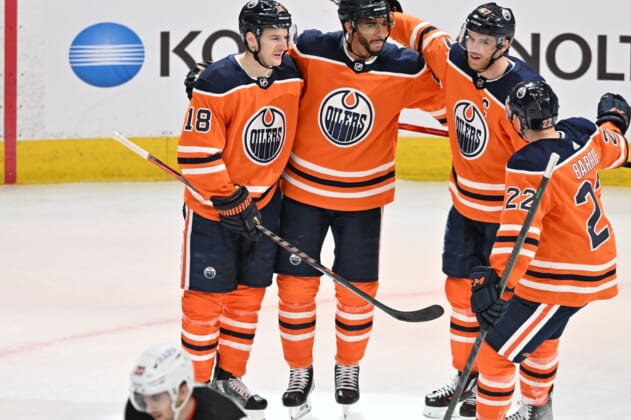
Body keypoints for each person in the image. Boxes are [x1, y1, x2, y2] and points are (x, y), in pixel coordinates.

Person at [272, 0, 445, 418]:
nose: (381, 32)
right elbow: (267, 76)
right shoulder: (311, 49)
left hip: (363, 201)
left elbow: (454, 100)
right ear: (347, 25)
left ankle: (347, 368)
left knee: (358, 293)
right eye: (371, 24)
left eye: (385, 22)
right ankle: (299, 370)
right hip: (303, 194)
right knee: (295, 291)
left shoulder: (405, 67)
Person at [387, 3, 544, 417]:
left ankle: (511, 393)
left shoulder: (522, 92)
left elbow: (537, 163)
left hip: (505, 219)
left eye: (485, 42)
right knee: (459, 294)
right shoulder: (454, 58)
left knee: (501, 306)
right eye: (471, 37)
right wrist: (386, 13)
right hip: (464, 208)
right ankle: (466, 377)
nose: (474, 47)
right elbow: (419, 32)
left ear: (504, 45)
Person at [467, 80, 631, 419]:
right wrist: (613, 121)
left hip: (559, 278)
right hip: (588, 262)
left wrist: (497, 282)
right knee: (542, 340)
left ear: (517, 120)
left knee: (495, 352)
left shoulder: (528, 164)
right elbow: (615, 147)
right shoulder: (583, 133)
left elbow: (519, 234)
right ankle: (538, 411)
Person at [176, 0, 302, 416]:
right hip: (213, 212)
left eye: (286, 36)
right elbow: (195, 154)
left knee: (247, 300)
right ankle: (195, 390)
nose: (283, 45)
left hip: (264, 206)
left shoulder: (291, 74)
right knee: (204, 304)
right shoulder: (218, 81)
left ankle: (229, 376)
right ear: (250, 39)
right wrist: (229, 197)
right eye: (274, 38)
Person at [126, 342, 250, 420]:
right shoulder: (138, 412)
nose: (148, 408)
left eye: (156, 397)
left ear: (183, 392)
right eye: (142, 397)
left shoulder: (224, 416)